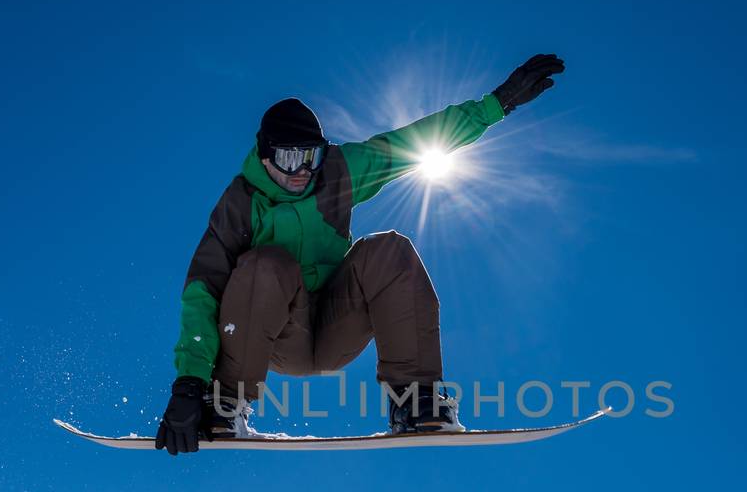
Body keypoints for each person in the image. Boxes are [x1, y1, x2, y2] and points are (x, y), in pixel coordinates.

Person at [155, 53, 565, 456]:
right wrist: (189, 383)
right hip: (274, 336)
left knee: (388, 249)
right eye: (289, 158)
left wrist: (499, 103)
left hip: (338, 324)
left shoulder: (337, 172)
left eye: (311, 157)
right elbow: (202, 292)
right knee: (266, 265)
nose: (302, 171)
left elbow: (413, 142)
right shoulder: (240, 202)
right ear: (265, 155)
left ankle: (414, 400)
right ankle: (224, 404)